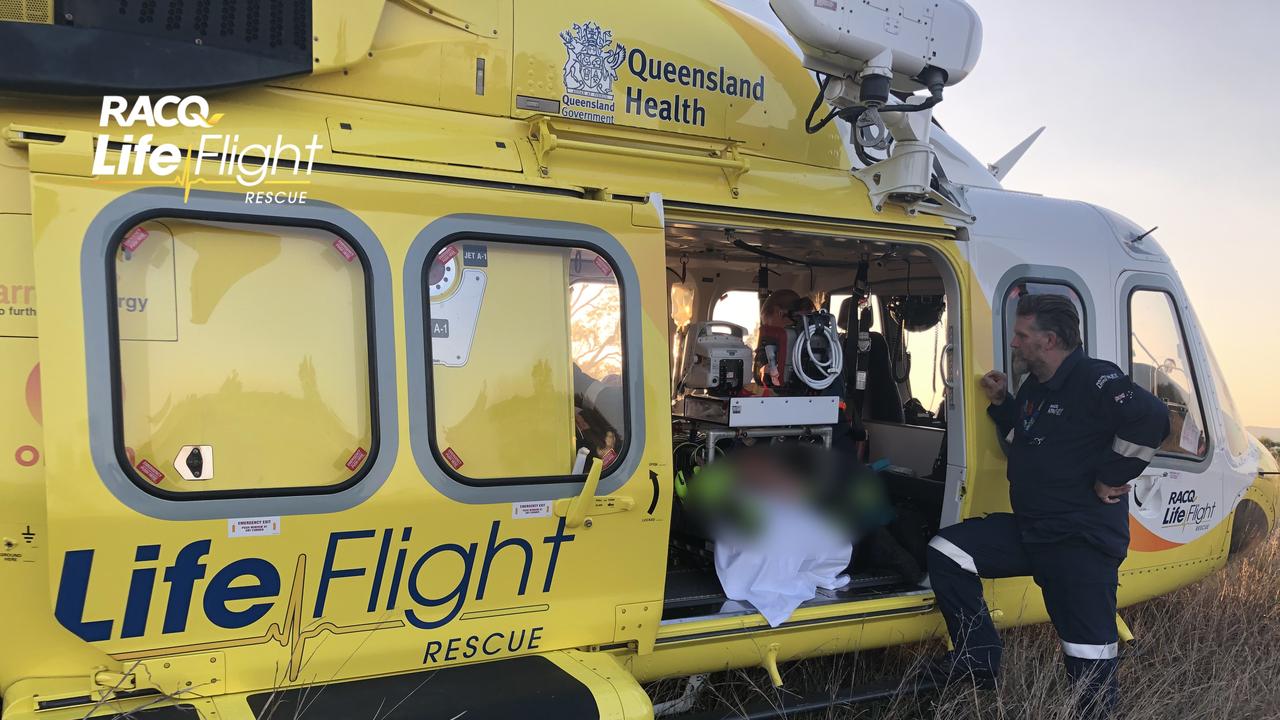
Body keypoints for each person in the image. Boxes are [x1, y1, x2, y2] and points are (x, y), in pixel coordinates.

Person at [924, 294, 1169, 717]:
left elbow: (1153, 419)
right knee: (947, 551)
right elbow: (1030, 438)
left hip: (1079, 541)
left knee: (1088, 661)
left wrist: (1113, 474)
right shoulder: (1036, 387)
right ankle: (977, 657)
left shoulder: (1094, 378)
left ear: (1049, 339)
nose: (1014, 344)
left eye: (1022, 335)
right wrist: (1004, 405)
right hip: (1033, 530)